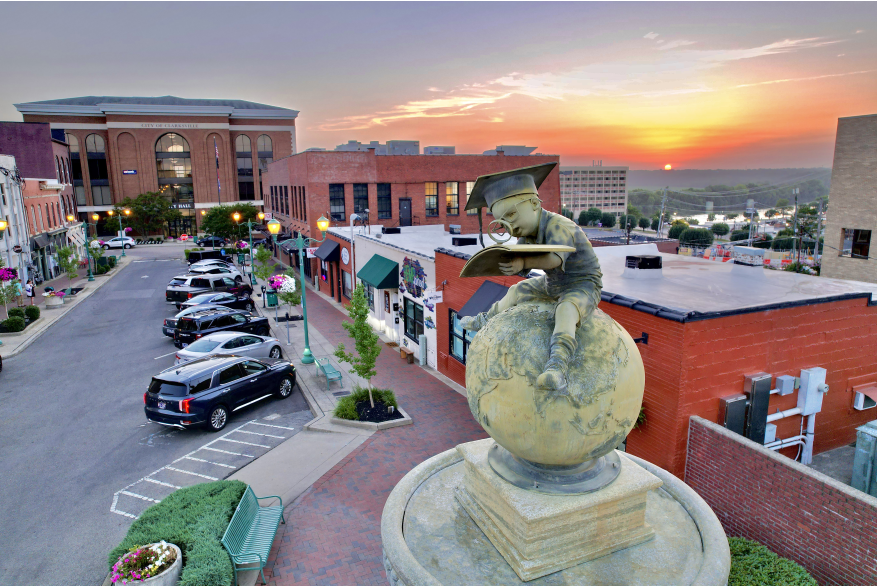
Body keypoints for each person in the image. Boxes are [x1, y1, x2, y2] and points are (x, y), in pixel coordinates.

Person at [460, 162, 602, 392]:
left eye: (512, 215)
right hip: (552, 283)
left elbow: (555, 258)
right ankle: (485, 319)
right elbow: (522, 265)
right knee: (517, 290)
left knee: (566, 310)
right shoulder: (528, 233)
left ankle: (557, 366)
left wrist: (524, 262)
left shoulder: (559, 225)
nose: (509, 226)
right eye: (502, 222)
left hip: (582, 284)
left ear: (535, 204)